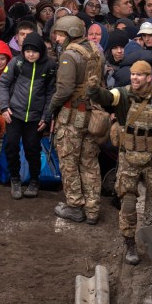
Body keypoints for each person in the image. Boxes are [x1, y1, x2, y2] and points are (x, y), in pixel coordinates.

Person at [87, 59, 152, 265]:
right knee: (128, 204)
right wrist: (94, 90)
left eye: (139, 75)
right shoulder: (123, 94)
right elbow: (106, 97)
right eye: (133, 74)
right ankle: (130, 244)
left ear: (149, 77)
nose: (135, 78)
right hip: (128, 158)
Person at [48, 15, 104, 225]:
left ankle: (74, 206)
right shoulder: (96, 51)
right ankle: (92, 209)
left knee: (69, 161)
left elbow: (64, 91)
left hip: (72, 116)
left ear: (70, 33)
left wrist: (51, 107)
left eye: (60, 35)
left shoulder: (69, 56)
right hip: (93, 115)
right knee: (89, 162)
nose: (58, 39)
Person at [0, 32, 55, 199]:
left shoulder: (49, 66)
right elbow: (3, 84)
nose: (30, 54)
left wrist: (46, 116)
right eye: (27, 50)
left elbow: (51, 93)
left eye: (34, 51)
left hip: (35, 117)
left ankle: (34, 180)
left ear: (41, 51)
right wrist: (4, 107)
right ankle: (15, 178)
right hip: (14, 114)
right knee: (12, 146)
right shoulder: (17, 62)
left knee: (32, 149)